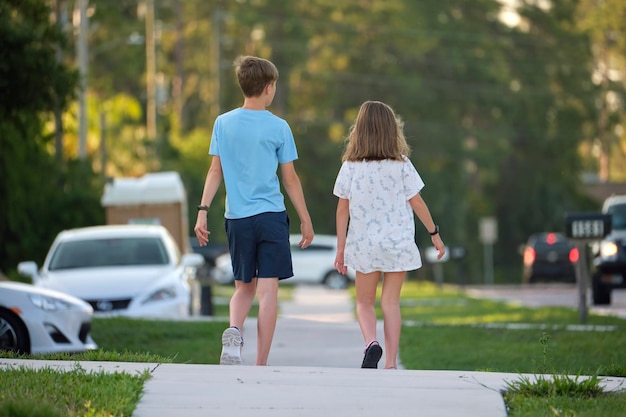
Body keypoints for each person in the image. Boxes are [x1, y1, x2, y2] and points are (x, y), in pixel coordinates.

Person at [194, 55, 314, 366]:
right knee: (268, 292)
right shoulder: (279, 127)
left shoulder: (223, 123)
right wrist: (305, 217)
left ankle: (234, 330)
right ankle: (261, 363)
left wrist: (202, 210)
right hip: (271, 217)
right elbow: (290, 178)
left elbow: (214, 172)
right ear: (269, 87)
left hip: (237, 218)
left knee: (243, 287)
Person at [332, 100, 445, 369]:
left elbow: (341, 210)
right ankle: (391, 363)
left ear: (358, 130)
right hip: (397, 244)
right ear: (391, 130)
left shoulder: (350, 166)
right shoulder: (402, 164)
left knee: (364, 302)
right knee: (391, 302)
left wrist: (341, 248)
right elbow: (418, 203)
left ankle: (371, 343)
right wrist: (434, 234)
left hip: (364, 245)